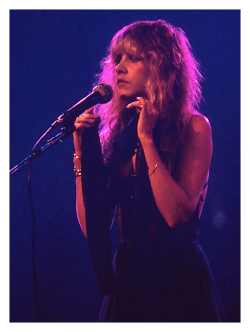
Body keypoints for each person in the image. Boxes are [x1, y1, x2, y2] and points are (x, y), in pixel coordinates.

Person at [72, 19, 224, 322]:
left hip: (178, 280)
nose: (119, 67)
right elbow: (94, 229)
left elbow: (176, 214)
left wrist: (147, 138)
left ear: (161, 66)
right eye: (117, 59)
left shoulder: (194, 127)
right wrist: (81, 156)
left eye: (133, 57)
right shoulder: (117, 136)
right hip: (127, 279)